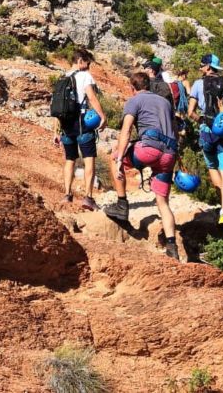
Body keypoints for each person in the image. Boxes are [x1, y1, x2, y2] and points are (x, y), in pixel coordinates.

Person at [103, 72, 181, 260]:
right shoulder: (165, 102)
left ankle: (122, 206)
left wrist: (120, 157)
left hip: (149, 149)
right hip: (169, 154)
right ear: (150, 85)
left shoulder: (134, 101)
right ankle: (172, 247)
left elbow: (126, 130)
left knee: (114, 159)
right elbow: (176, 130)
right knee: (163, 202)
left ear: (132, 87)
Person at [186, 53, 223, 224]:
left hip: (206, 132)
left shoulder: (197, 84)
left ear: (208, 66)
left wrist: (203, 120)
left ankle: (221, 202)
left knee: (211, 165)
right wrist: (222, 123)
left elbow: (190, 113)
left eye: (202, 65)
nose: (200, 68)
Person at [53, 47, 107, 211]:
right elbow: (91, 97)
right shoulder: (84, 76)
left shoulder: (63, 78)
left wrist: (55, 131)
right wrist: (102, 116)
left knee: (70, 159)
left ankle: (67, 194)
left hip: (65, 125)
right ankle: (88, 198)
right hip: (82, 123)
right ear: (80, 61)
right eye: (87, 63)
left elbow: (56, 108)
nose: (88, 67)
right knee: (89, 159)